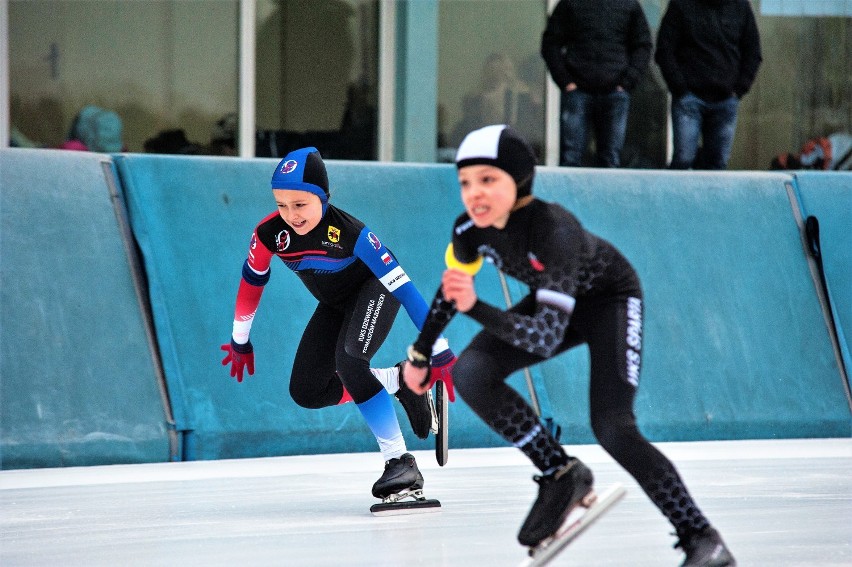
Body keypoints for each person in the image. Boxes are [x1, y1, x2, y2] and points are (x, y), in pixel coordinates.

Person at [402, 125, 736, 566]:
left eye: (488, 180)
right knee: (471, 372)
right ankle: (561, 473)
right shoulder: (468, 229)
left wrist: (476, 307)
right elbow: (452, 290)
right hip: (554, 301)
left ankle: (702, 538)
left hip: (609, 301)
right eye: (465, 182)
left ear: (518, 181)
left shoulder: (554, 229)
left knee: (614, 427)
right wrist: (420, 354)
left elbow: (543, 339)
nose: (473, 194)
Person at [220, 146, 456, 502]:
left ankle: (400, 463)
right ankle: (402, 381)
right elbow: (252, 282)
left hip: (375, 291)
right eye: (282, 205)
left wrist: (439, 350)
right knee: (307, 391)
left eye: (300, 205)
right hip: (334, 304)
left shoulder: (352, 233)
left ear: (323, 197)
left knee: (350, 362)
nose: (291, 216)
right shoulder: (269, 234)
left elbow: (406, 292)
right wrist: (240, 340)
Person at [540, 0, 652, 168]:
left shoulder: (628, 5)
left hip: (612, 91)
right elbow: (551, 44)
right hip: (580, 91)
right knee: (573, 158)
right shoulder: (571, 4)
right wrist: (566, 81)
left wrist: (627, 82)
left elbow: (642, 46)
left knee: (608, 159)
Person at [655, 0, 762, 170]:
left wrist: (739, 89)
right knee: (683, 160)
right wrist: (680, 88)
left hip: (725, 100)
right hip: (689, 99)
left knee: (717, 165)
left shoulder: (740, 6)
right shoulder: (681, 5)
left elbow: (753, 52)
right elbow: (665, 49)